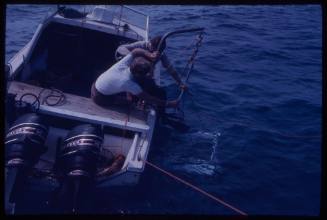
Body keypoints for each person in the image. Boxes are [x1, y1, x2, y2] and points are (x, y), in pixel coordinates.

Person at [91, 48, 179, 112]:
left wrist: (149, 55)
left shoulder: (123, 64)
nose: (150, 75)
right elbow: (150, 99)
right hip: (99, 97)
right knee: (130, 102)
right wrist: (169, 104)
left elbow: (136, 51)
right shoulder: (128, 83)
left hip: (95, 85)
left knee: (127, 91)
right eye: (147, 73)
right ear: (138, 74)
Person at [115, 36, 187, 90]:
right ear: (150, 44)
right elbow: (120, 48)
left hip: (144, 75)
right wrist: (136, 58)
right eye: (153, 50)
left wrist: (180, 83)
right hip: (129, 70)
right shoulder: (142, 45)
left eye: (158, 52)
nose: (154, 53)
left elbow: (170, 69)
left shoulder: (161, 54)